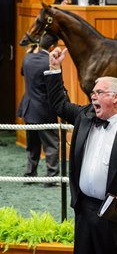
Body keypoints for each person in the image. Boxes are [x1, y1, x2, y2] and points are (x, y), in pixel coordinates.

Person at [43, 47, 117, 254]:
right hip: (84, 210)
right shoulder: (85, 116)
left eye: (98, 92)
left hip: (114, 215)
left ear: (115, 97)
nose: (93, 96)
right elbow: (59, 104)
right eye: (92, 93)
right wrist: (55, 68)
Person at [17, 34, 62, 187]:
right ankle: (52, 177)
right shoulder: (49, 63)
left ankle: (30, 175)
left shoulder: (27, 58)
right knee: (51, 144)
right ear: (51, 47)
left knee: (32, 145)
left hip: (29, 108)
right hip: (45, 110)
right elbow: (56, 87)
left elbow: (23, 73)